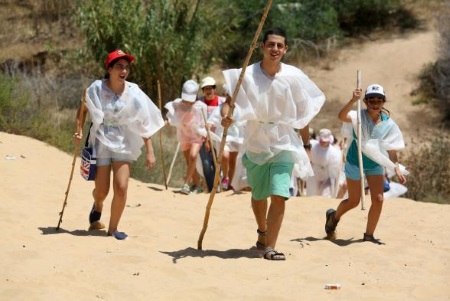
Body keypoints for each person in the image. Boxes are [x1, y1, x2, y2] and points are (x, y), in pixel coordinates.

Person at [221, 28, 325, 260]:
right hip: (256, 139)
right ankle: (262, 231)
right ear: (262, 47)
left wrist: (306, 145)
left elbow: (303, 114)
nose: (275, 49)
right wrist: (226, 116)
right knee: (259, 195)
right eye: (271, 45)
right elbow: (229, 102)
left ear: (285, 49)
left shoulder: (293, 76)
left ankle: (270, 247)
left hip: (284, 140)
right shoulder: (246, 74)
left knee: (279, 193)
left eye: (280, 45)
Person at [73, 49, 164, 240]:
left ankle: (113, 229)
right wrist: (79, 129)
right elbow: (82, 109)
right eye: (119, 67)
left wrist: (150, 151)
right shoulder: (96, 89)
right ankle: (97, 205)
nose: (123, 71)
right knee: (102, 190)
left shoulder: (134, 93)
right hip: (101, 142)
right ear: (109, 69)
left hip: (124, 142)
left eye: (126, 68)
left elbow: (143, 122)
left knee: (121, 187)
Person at [325, 84, 407, 244]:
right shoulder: (358, 116)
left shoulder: (389, 124)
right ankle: (333, 217)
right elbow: (341, 116)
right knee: (354, 201)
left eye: (378, 100)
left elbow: (391, 150)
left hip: (375, 163)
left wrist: (396, 168)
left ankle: (369, 235)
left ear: (384, 102)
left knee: (378, 199)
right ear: (365, 101)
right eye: (371, 100)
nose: (375, 104)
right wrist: (352, 100)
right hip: (355, 162)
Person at [164, 80, 208, 195]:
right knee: (189, 161)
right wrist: (168, 121)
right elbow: (173, 117)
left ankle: (186, 184)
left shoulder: (201, 107)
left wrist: (207, 140)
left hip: (197, 135)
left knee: (193, 156)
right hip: (184, 134)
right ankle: (197, 185)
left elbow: (205, 124)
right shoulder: (177, 104)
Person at [207, 84, 245, 191]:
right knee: (225, 156)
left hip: (237, 137)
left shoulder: (240, 108)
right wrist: (209, 126)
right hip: (224, 136)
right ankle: (225, 177)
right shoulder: (221, 107)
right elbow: (211, 120)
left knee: (233, 160)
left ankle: (229, 184)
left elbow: (245, 120)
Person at [198, 76, 225, 192]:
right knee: (206, 163)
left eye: (210, 88)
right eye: (206, 88)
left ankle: (219, 187)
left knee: (218, 163)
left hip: (219, 137)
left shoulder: (222, 102)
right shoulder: (199, 103)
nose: (208, 91)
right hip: (204, 138)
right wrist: (206, 139)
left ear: (214, 89)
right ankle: (211, 189)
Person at [305, 129, 342, 197]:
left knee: (325, 194)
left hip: (326, 174)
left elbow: (334, 169)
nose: (323, 142)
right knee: (312, 193)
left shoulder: (334, 152)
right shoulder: (312, 145)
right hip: (313, 172)